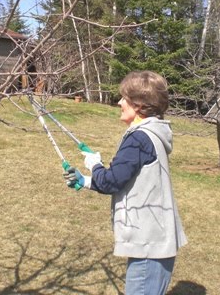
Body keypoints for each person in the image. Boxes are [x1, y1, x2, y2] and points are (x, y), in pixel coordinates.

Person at [64, 70, 187, 295]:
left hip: (149, 247)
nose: (120, 102)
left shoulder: (139, 138)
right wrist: (87, 181)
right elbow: (127, 180)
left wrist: (94, 165)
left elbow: (112, 182)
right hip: (156, 241)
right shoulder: (153, 134)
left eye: (124, 98)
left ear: (139, 105)